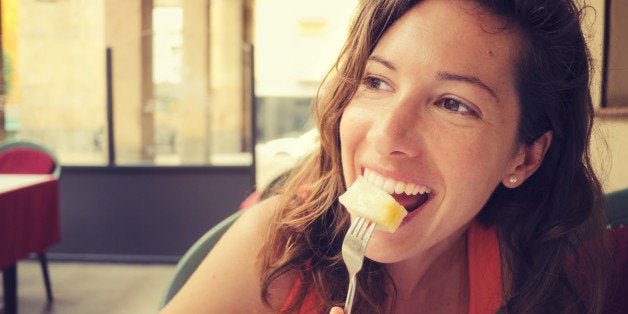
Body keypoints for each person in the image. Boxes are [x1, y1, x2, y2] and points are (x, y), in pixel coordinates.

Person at [160, 0, 614, 312]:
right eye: (376, 82)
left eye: (454, 104)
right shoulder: (273, 252)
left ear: (524, 158)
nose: (387, 134)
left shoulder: (533, 268)